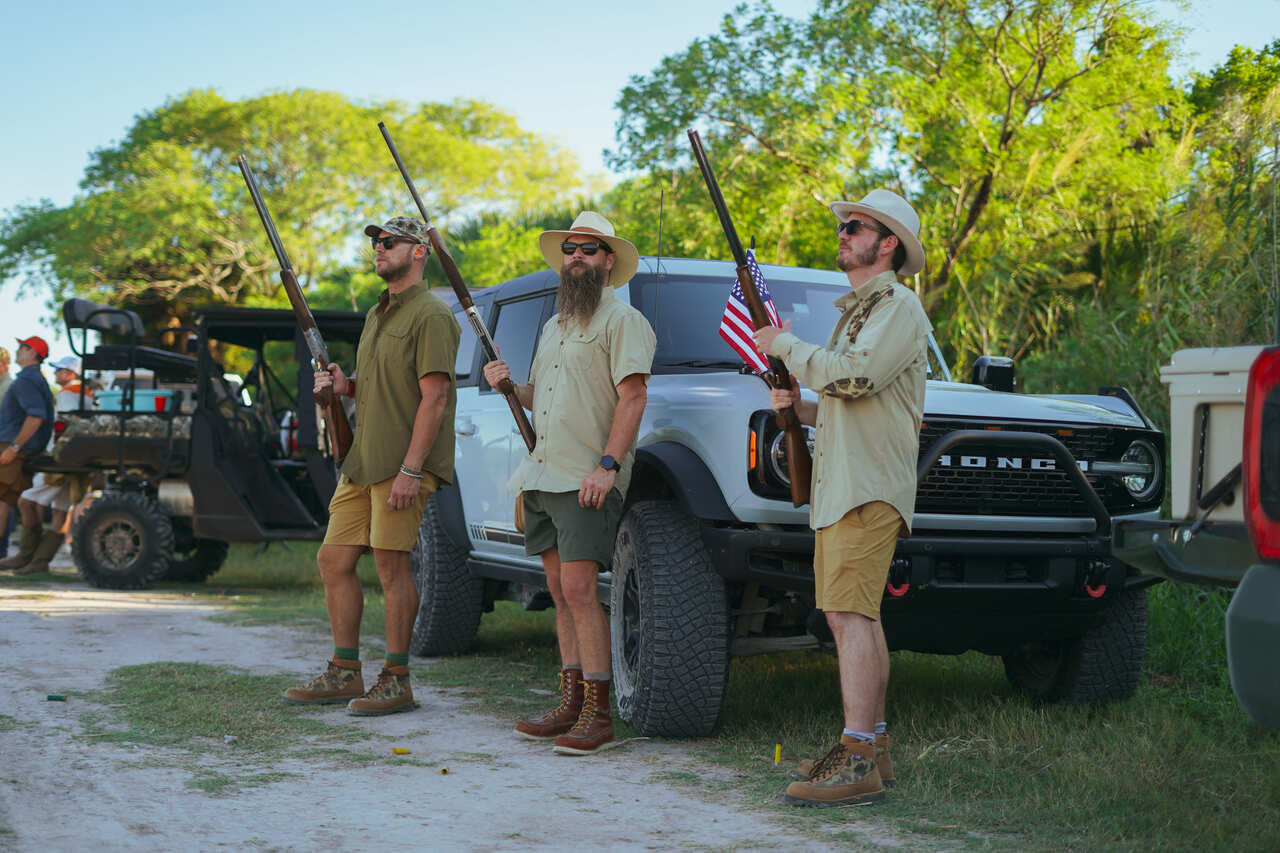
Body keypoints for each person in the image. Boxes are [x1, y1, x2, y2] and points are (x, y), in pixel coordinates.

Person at [752, 189, 932, 807]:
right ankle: (873, 750)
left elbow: (853, 375)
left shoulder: (897, 307)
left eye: (855, 226)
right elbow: (849, 400)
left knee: (850, 618)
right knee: (855, 617)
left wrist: (784, 346)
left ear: (888, 245)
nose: (843, 232)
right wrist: (799, 406)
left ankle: (856, 759)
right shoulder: (860, 311)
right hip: (845, 484)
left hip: (865, 487)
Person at [482, 211, 655, 755]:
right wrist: (511, 386)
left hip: (586, 476)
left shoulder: (624, 321)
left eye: (588, 249)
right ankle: (570, 703)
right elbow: (548, 397)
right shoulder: (555, 324)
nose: (576, 256)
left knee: (581, 592)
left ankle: (598, 717)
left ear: (608, 261)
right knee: (558, 592)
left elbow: (633, 398)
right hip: (542, 472)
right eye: (570, 249)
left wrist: (608, 466)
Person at [281, 216, 459, 717]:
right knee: (332, 561)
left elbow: (435, 396)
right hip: (361, 460)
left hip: (401, 465)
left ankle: (396, 679)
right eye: (376, 243)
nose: (378, 249)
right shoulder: (378, 313)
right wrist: (344, 387)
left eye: (389, 242)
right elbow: (380, 384)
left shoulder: (431, 315)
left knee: (390, 566)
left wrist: (411, 470)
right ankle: (344, 671)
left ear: (419, 251)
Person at [2, 356, 92, 574]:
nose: (55, 374)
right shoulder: (86, 393)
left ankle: (26, 556)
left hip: (61, 458)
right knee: (60, 511)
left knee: (25, 500)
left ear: (72, 373)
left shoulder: (68, 394)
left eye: (60, 370)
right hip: (78, 458)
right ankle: (40, 560)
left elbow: (66, 425)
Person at [0, 337, 55, 561]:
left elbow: (36, 417)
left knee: (1, 502)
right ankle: (27, 557)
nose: (18, 350)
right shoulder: (37, 379)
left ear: (33, 353)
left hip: (11, 446)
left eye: (23, 347)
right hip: (22, 447)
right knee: (6, 502)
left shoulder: (26, 380)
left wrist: (14, 447)